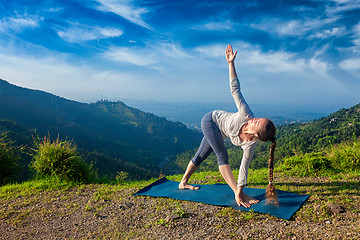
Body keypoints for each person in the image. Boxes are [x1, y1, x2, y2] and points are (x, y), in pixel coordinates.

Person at [178, 45, 278, 208]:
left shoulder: (250, 145)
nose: (255, 119)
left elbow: (243, 169)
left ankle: (183, 183)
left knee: (200, 155)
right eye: (259, 118)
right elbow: (235, 89)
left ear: (257, 135)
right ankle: (185, 182)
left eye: (257, 122)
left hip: (219, 132)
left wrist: (241, 190)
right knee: (222, 154)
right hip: (211, 120)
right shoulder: (246, 113)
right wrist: (231, 63)